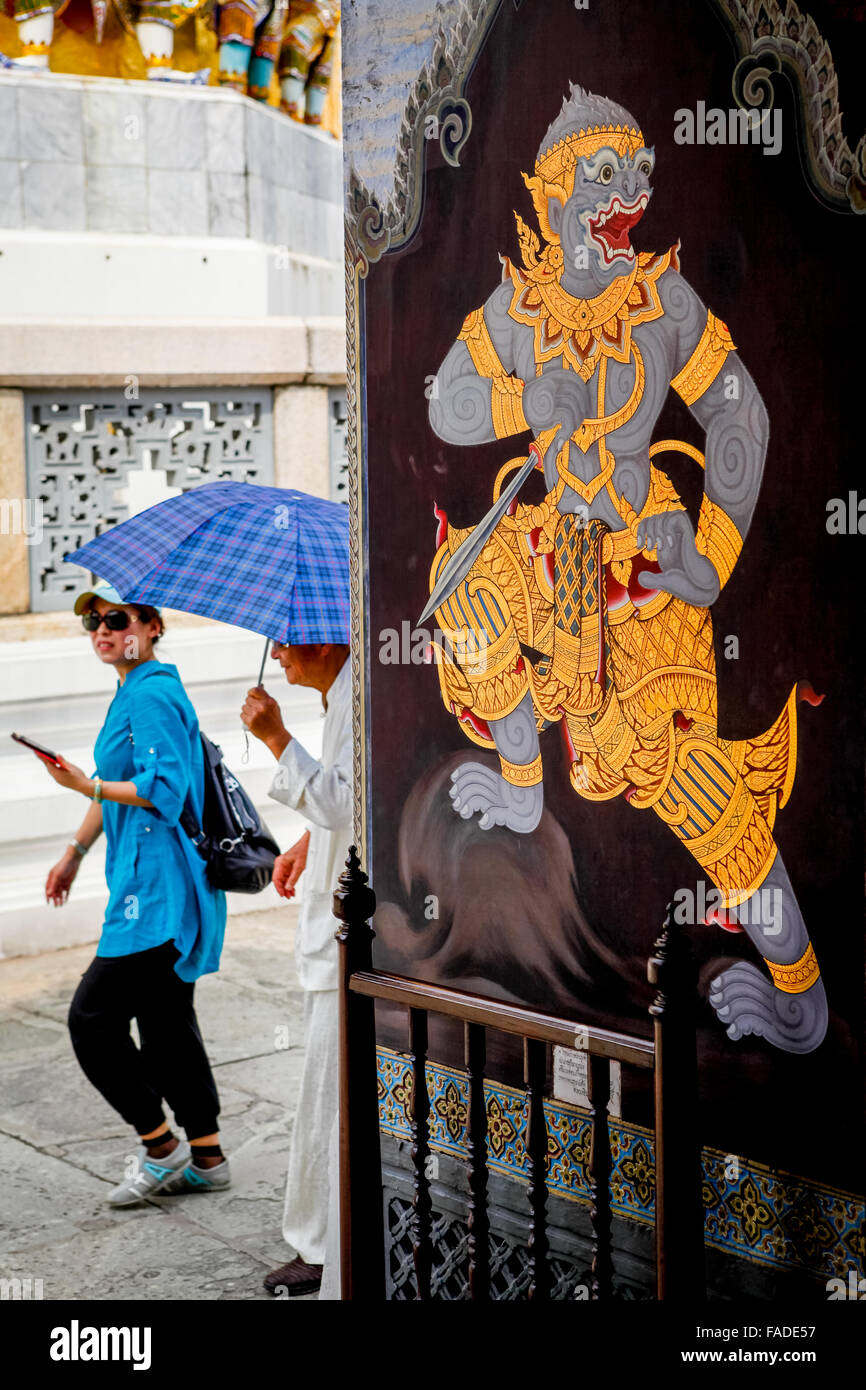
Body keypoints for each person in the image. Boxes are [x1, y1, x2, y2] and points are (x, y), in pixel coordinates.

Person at [42, 582, 230, 1205]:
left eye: (115, 619)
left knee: (91, 1019)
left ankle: (160, 1147)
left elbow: (162, 791)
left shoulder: (150, 694)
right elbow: (116, 782)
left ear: (151, 626)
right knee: (166, 1023)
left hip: (156, 895)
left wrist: (83, 787)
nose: (101, 630)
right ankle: (206, 1156)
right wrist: (74, 852)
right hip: (148, 884)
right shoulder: (133, 689)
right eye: (92, 622)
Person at [241, 639, 351, 1297]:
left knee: (327, 1092)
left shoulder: (360, 695)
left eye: (289, 638)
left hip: (354, 931)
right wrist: (311, 840)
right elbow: (346, 800)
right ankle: (318, 1239)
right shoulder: (339, 700)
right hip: (334, 914)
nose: (278, 652)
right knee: (320, 1087)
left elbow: (344, 800)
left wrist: (277, 737)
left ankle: (325, 1245)